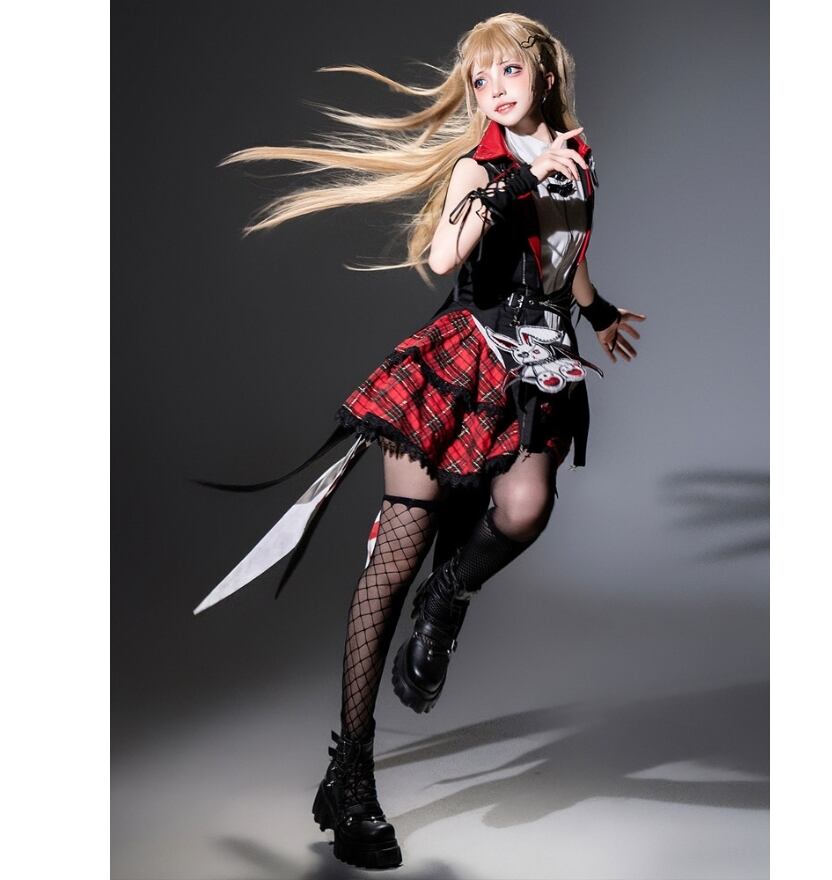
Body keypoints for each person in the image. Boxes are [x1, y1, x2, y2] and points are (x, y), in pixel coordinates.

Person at [193, 12, 646, 870]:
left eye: (508, 72)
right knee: (389, 568)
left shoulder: (576, 157)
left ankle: (449, 599)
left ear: (544, 75)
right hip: (457, 366)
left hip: (536, 365)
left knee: (526, 505)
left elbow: (567, 253)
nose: (493, 90)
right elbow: (443, 258)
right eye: (479, 79)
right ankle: (351, 775)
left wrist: (598, 312)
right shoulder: (480, 165)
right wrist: (511, 184)